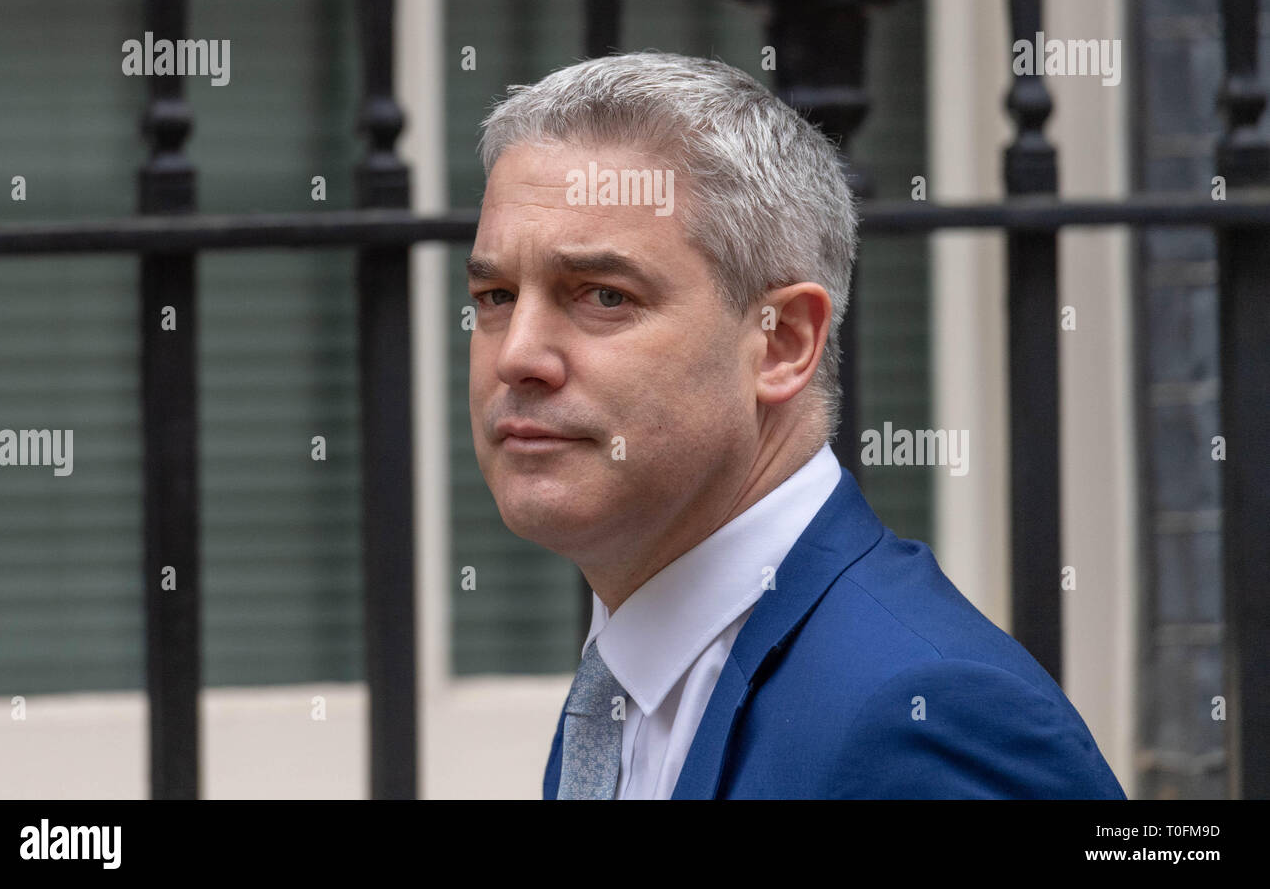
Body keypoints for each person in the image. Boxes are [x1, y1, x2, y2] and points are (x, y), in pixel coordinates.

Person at [466, 50, 1126, 800]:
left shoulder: (929, 716)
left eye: (603, 296)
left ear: (782, 342)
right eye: (494, 296)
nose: (518, 354)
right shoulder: (624, 678)